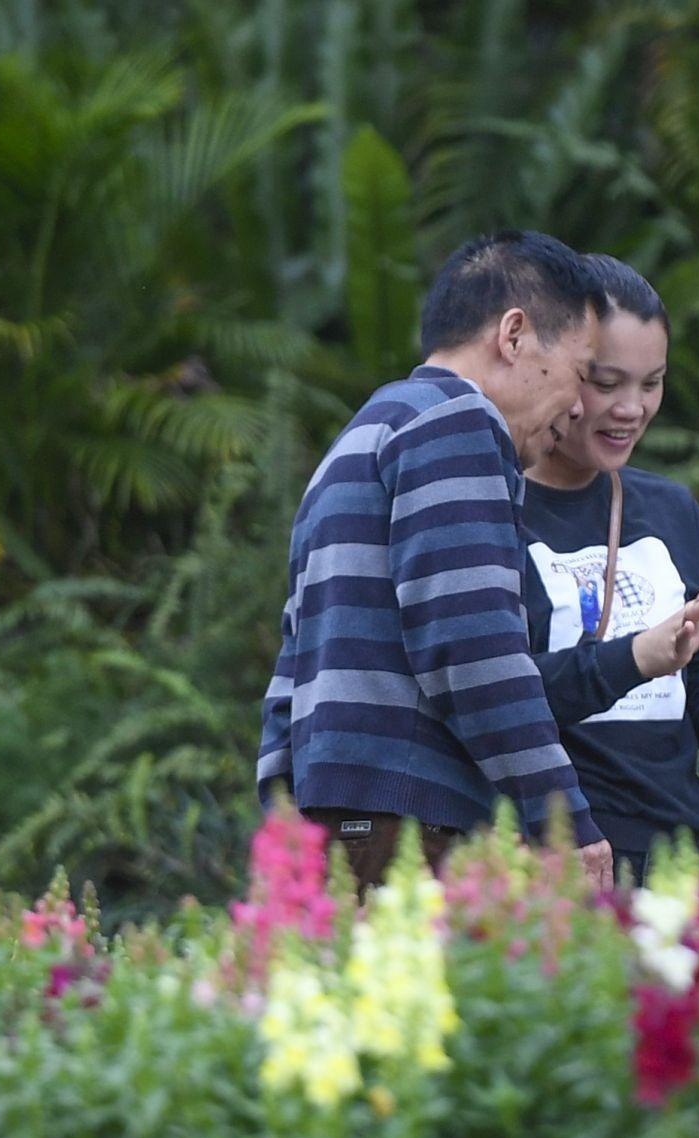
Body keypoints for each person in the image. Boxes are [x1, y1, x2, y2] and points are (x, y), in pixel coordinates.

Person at [258, 230, 616, 891]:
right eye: (581, 372)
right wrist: (562, 820)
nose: (580, 406)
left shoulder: (359, 437)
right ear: (514, 336)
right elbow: (471, 647)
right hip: (410, 827)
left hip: (332, 825)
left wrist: (285, 832)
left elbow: (292, 670)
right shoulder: (459, 424)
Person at [521, 255, 699, 886]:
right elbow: (496, 694)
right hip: (558, 856)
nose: (631, 408)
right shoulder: (493, 507)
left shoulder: (669, 509)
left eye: (651, 384)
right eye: (605, 381)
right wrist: (639, 655)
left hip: (678, 856)